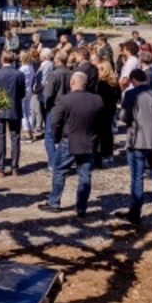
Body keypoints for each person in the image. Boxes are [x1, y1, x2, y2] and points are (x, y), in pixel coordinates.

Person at [40, 71, 103, 217]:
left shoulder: (65, 100)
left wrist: (56, 137)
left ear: (72, 83)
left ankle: (54, 202)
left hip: (69, 139)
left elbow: (55, 122)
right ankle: (81, 207)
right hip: (89, 140)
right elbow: (102, 121)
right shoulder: (97, 100)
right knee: (85, 174)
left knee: (59, 171)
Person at [118, 69, 152, 225]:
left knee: (137, 177)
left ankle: (135, 213)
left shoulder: (131, 94)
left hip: (137, 140)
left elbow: (124, 116)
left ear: (133, 79)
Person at [0, 50, 26, 177]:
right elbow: (22, 93)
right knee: (15, 138)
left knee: (0, 138)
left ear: (2, 59)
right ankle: (15, 167)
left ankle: (0, 167)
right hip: (15, 109)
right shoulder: (19, 74)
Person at [93, 55, 120, 163]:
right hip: (110, 109)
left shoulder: (101, 84)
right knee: (108, 132)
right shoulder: (114, 82)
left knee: (102, 133)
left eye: (99, 69)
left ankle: (103, 153)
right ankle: (108, 153)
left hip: (102, 110)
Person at [19, 50, 37, 142]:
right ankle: (30, 131)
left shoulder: (22, 69)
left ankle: (27, 133)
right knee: (28, 112)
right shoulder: (31, 67)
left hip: (23, 91)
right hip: (29, 90)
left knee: (23, 113)